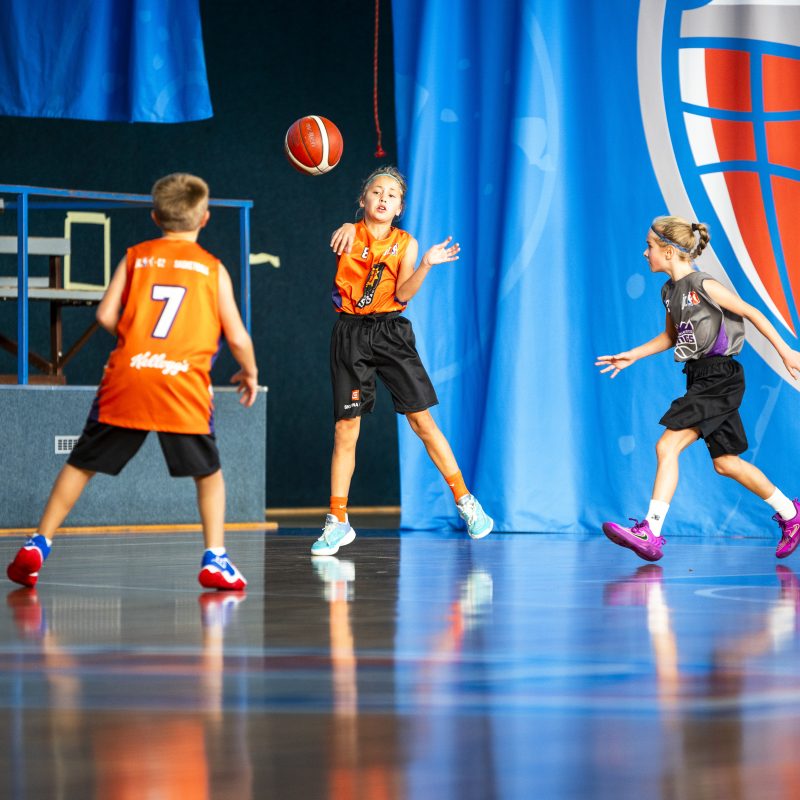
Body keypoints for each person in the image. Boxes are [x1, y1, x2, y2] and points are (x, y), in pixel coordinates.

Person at [6, 173, 258, 590]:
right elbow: (236, 336)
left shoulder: (136, 257)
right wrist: (249, 371)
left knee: (81, 464)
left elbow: (105, 315)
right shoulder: (213, 269)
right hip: (182, 384)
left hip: (129, 376)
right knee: (209, 475)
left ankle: (38, 543)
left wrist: (137, 340)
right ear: (205, 218)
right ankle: (215, 557)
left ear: (155, 216)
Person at [311, 166, 493, 556]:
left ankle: (466, 501)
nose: (383, 198)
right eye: (376, 191)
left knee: (421, 422)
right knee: (346, 429)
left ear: (399, 208)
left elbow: (404, 293)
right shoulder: (349, 233)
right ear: (363, 199)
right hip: (351, 334)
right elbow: (344, 236)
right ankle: (338, 521)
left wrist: (425, 264)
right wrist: (346, 226)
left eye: (391, 195)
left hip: (391, 332)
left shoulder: (406, 244)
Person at [596, 215, 800, 562]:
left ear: (669, 251)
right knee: (726, 463)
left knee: (667, 445)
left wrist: (785, 352)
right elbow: (670, 336)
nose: (645, 253)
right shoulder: (668, 292)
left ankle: (651, 531)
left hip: (720, 377)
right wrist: (633, 355)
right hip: (699, 376)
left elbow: (751, 312)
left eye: (649, 246)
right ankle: (791, 514)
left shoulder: (702, 284)